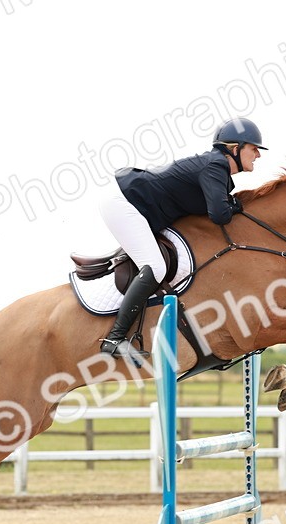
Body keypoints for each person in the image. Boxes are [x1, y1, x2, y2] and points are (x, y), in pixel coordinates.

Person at [97, 118, 267, 360]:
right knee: (156, 267)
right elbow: (219, 215)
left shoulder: (217, 170)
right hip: (123, 202)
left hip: (132, 203)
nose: (258, 154)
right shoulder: (215, 166)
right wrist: (236, 206)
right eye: (254, 148)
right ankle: (114, 339)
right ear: (235, 148)